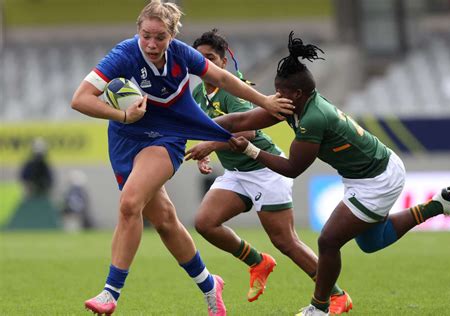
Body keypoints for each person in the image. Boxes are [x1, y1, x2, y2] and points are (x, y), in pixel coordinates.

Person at [214, 32, 450, 316]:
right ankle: (438, 205)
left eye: (280, 93)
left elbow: (293, 168)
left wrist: (250, 150)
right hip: (367, 174)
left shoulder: (313, 118)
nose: (275, 98)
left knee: (328, 240)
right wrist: (202, 129)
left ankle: (320, 307)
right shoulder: (296, 105)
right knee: (373, 241)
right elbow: (241, 119)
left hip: (378, 178)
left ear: (298, 94)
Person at [70, 1, 293, 315]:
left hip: (167, 138)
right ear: (138, 31)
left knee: (130, 203)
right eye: (146, 35)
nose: (151, 43)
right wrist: (122, 114)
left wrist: (265, 101)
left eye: (160, 37)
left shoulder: (182, 56)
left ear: (171, 36)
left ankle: (110, 292)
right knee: (164, 221)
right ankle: (209, 285)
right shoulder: (124, 54)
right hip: (124, 138)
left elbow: (225, 79)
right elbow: (80, 99)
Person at [185, 29, 352, 313]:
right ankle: (257, 261)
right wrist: (208, 151)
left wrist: (209, 146)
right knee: (205, 222)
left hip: (264, 168)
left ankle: (337, 295)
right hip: (237, 172)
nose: (206, 64)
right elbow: (211, 130)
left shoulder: (231, 89)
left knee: (286, 241)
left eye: (211, 58)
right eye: (199, 59)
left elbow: (248, 129)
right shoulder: (199, 93)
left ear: (223, 63)